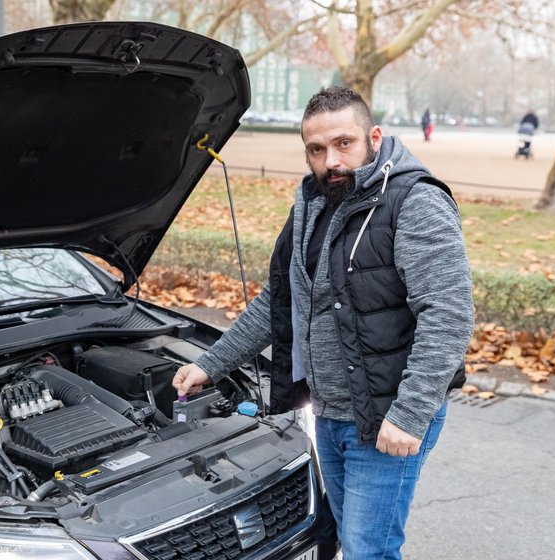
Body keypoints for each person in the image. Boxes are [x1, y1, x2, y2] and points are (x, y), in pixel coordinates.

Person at [172, 86, 474, 559]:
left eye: (344, 143)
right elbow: (280, 301)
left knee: (366, 551)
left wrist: (409, 414)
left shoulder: (414, 201)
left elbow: (449, 315)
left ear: (373, 137)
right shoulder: (311, 204)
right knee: (331, 538)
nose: (331, 160)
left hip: (386, 416)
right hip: (330, 412)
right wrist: (211, 364)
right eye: (316, 149)